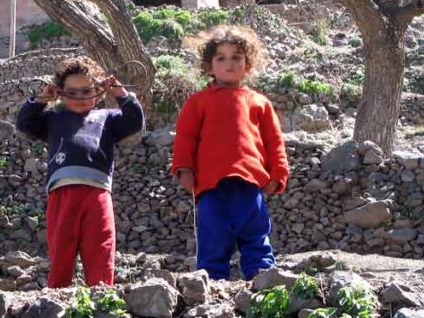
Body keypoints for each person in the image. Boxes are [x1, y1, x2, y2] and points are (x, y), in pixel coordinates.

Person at [171, 25, 289, 280]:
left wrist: (278, 173)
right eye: (221, 58)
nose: (229, 63)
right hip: (211, 187)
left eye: (236, 57)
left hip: (250, 185)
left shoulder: (259, 103)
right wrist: (184, 168)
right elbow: (186, 137)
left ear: (247, 64)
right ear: (209, 65)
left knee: (256, 236)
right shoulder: (198, 102)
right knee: (213, 238)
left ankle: (263, 283)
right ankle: (212, 286)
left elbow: (274, 141)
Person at [16, 56, 145, 287]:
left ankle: (101, 297)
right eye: (71, 92)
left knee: (100, 246)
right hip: (61, 193)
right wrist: (42, 98)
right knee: (61, 250)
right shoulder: (53, 118)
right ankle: (56, 297)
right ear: (60, 92)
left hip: (97, 192)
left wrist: (121, 94)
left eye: (86, 91)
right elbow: (25, 122)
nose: (79, 98)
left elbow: (135, 121)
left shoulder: (108, 118)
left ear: (98, 90)